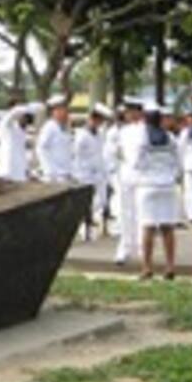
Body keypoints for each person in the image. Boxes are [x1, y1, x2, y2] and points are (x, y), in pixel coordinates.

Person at [134, 104, 184, 280]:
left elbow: (136, 162)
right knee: (167, 228)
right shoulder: (170, 138)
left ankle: (147, 267)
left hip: (148, 186)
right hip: (168, 186)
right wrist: (171, 175)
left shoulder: (142, 138)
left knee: (148, 227)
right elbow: (179, 163)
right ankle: (170, 266)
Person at [114, 98, 147, 265]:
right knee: (125, 213)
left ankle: (142, 249)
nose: (126, 115)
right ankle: (125, 248)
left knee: (142, 213)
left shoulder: (146, 130)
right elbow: (119, 153)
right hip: (125, 175)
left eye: (129, 111)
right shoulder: (123, 131)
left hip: (141, 176)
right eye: (126, 112)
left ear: (138, 112)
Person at [73, 104, 112, 239]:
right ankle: (86, 230)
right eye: (96, 120)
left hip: (99, 172)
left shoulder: (99, 134)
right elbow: (76, 155)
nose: (97, 124)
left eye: (100, 121)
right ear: (90, 119)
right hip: (84, 172)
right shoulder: (81, 135)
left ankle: (99, 227)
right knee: (86, 203)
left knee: (101, 200)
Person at [0, 99, 40, 182]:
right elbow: (10, 115)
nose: (25, 121)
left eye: (27, 119)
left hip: (20, 174)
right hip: (7, 171)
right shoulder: (8, 127)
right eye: (24, 117)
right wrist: (24, 108)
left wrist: (28, 171)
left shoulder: (24, 132)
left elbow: (25, 154)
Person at [35, 96, 74, 184]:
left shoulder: (65, 128)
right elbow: (41, 148)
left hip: (66, 174)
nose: (66, 113)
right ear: (55, 112)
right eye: (63, 110)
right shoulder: (50, 127)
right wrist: (49, 170)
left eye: (66, 110)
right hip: (55, 176)